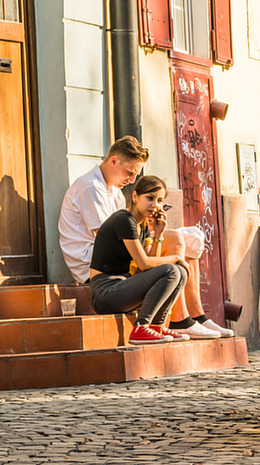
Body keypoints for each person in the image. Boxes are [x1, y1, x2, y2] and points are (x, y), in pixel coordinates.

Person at [58, 136, 233, 338]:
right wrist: (161, 252)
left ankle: (194, 317)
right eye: (129, 172)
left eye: (135, 175)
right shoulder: (91, 187)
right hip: (90, 262)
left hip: (116, 265)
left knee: (186, 245)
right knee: (177, 241)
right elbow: (108, 241)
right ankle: (181, 319)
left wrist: (154, 234)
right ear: (114, 161)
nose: (132, 180)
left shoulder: (114, 192)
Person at [89, 176, 190, 344]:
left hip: (122, 287)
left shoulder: (141, 224)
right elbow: (144, 264)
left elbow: (151, 264)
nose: (155, 205)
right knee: (172, 269)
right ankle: (141, 327)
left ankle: (157, 326)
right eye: (149, 198)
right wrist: (175, 258)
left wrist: (158, 234)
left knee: (181, 272)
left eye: (159, 200)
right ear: (135, 197)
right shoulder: (124, 219)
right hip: (104, 293)